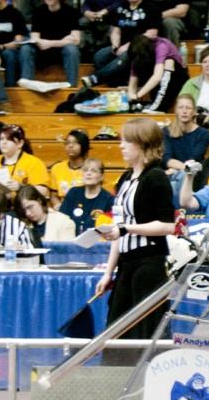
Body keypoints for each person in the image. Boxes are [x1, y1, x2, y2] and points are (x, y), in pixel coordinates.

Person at [95, 119, 177, 364]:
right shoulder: (125, 178)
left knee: (146, 330)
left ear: (142, 145)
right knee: (116, 328)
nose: (121, 146)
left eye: (127, 141)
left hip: (149, 263)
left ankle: (147, 388)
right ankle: (115, 388)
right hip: (126, 265)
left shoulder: (156, 178)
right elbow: (117, 228)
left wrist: (125, 228)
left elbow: (168, 225)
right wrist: (108, 272)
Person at [82, 0, 160, 90]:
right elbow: (116, 30)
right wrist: (115, 45)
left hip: (141, 49)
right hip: (121, 46)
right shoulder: (121, 7)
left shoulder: (151, 8)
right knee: (100, 56)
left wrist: (128, 46)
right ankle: (115, 83)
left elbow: (151, 33)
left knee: (126, 55)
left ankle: (95, 78)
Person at [19, 0, 81, 89]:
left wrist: (51, 43)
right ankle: (27, 83)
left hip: (61, 52)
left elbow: (76, 39)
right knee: (26, 49)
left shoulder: (71, 12)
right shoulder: (39, 12)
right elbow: (35, 38)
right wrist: (64, 40)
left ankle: (72, 87)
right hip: (42, 50)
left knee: (71, 49)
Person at [162, 94, 209, 201]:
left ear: (194, 111)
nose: (184, 111)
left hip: (193, 175)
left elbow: (194, 159)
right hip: (171, 174)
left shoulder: (204, 134)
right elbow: (166, 159)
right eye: (181, 107)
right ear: (176, 110)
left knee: (177, 181)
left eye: (188, 108)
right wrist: (182, 168)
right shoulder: (167, 132)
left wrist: (178, 170)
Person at [126, 35, 189, 113]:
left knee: (169, 62)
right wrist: (131, 97)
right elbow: (133, 81)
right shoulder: (136, 57)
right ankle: (152, 105)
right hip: (156, 81)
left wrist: (138, 95)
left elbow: (157, 77)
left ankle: (159, 108)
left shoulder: (161, 46)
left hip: (175, 78)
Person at [0, 124, 50, 198]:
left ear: (20, 143)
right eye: (2, 139)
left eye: (9, 139)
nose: (4, 142)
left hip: (21, 206)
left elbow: (44, 191)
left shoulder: (34, 162)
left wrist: (21, 187)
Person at [59, 159, 114, 234]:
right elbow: (62, 218)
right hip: (70, 239)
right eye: (85, 170)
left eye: (93, 171)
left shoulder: (109, 199)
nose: (88, 173)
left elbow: (109, 226)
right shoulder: (73, 193)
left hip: (97, 242)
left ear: (101, 176)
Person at [48, 128, 90, 203]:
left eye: (75, 143)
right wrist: (59, 207)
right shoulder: (57, 168)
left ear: (83, 146)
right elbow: (53, 195)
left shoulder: (91, 168)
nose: (70, 146)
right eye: (67, 142)